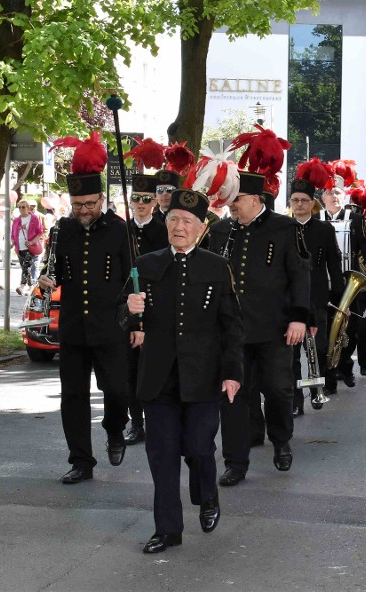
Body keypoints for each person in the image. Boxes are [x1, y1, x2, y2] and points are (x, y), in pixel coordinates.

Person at [124, 186, 244, 554]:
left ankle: (207, 496)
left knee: (198, 447)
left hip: (203, 377)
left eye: (187, 221)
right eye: (173, 218)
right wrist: (129, 310)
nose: (178, 226)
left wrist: (232, 372)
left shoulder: (215, 266)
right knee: (161, 457)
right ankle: (168, 529)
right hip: (158, 378)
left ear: (200, 228)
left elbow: (231, 325)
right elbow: (124, 322)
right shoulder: (145, 265)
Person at [205, 126, 310, 486]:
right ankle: (236, 460)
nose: (231, 204)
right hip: (231, 330)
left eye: (237, 199)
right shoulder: (222, 230)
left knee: (278, 389)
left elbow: (299, 275)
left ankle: (281, 440)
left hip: (275, 327)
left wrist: (299, 317)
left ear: (256, 199)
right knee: (234, 392)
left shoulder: (283, 228)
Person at [39, 131, 132, 484]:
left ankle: (114, 429)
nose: (84, 211)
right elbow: (55, 273)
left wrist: (135, 319)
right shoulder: (62, 230)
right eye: (78, 205)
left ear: (102, 199)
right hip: (75, 327)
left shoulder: (120, 231)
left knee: (118, 389)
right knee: (73, 397)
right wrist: (48, 282)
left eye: (90, 204)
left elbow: (130, 281)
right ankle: (81, 461)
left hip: (111, 326)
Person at [288, 159, 344, 413]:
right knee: (291, 353)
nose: (299, 205)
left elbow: (334, 261)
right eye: (295, 200)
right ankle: (295, 400)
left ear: (312, 204)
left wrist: (339, 294)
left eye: (304, 200)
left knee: (319, 347)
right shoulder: (282, 228)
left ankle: (316, 389)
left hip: (318, 296)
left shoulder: (323, 229)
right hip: (289, 299)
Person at [123, 174, 170, 446]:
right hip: (129, 307)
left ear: (154, 202)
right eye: (136, 199)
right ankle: (136, 423)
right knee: (131, 370)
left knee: (156, 367)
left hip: (156, 307)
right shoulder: (122, 230)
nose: (140, 204)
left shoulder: (164, 229)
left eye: (145, 199)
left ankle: (157, 421)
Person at [337, 184, 366, 379]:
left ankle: (364, 361)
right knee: (343, 327)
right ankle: (340, 365)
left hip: (360, 284)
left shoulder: (361, 223)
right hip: (341, 281)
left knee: (363, 328)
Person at [11, 199, 45, 295]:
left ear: (28, 208)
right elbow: (13, 234)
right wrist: (12, 243)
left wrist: (32, 242)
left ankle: (22, 286)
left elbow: (40, 232)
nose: (21, 209)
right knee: (26, 268)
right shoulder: (17, 220)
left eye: (23, 207)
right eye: (19, 207)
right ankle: (31, 287)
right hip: (19, 247)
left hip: (30, 247)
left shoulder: (34, 218)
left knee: (26, 266)